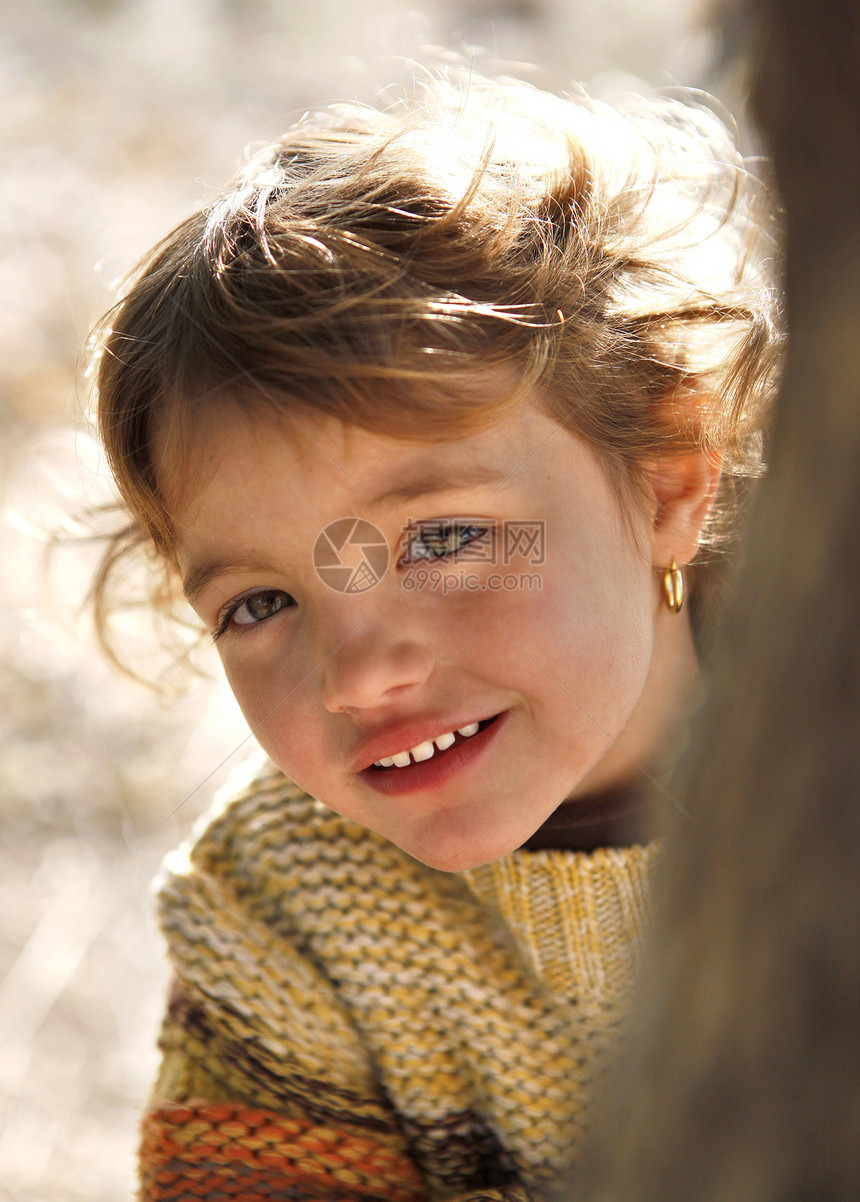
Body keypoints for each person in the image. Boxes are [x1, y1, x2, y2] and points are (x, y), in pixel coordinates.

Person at [85, 70, 781, 1201]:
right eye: (259, 605)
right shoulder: (279, 911)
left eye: (442, 537)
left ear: (663, 480)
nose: (360, 674)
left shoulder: (822, 781)